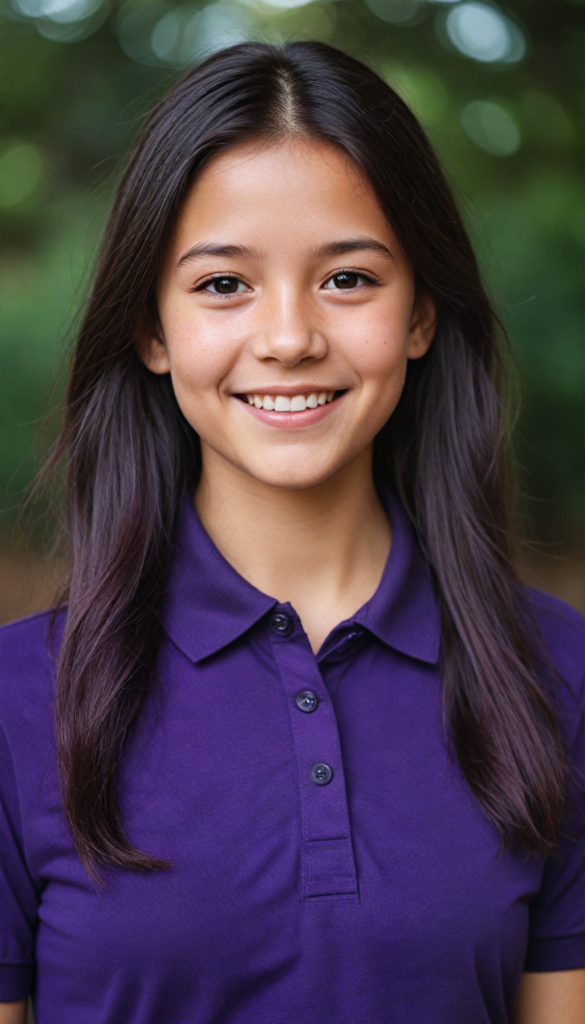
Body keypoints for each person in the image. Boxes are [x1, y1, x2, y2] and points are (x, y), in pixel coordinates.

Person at [0, 40, 584, 1024]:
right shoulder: (16, 705)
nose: (288, 336)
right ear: (152, 329)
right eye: (224, 284)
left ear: (422, 313)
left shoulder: (561, 677)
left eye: (348, 279)